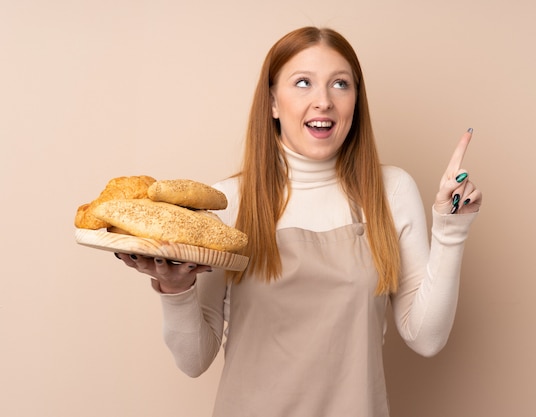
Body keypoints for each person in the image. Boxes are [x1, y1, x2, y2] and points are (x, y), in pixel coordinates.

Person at [115, 26, 481, 417]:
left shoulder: (390, 191)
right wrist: (176, 288)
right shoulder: (229, 201)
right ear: (273, 102)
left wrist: (450, 230)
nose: (323, 101)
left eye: (340, 84)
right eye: (302, 83)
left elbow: (426, 338)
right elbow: (194, 360)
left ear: (356, 102)